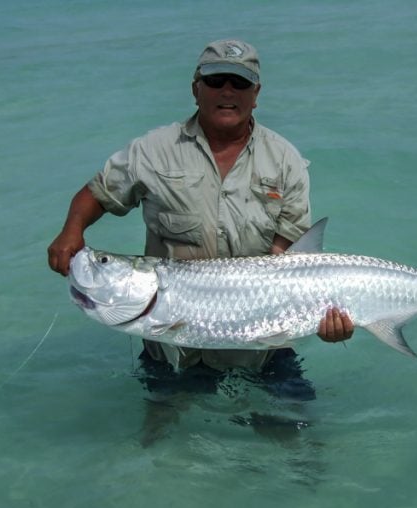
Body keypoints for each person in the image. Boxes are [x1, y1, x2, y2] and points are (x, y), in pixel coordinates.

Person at [48, 39, 353, 376]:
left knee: (288, 427)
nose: (227, 91)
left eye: (239, 83)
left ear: (256, 94)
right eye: (215, 80)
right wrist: (71, 230)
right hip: (170, 347)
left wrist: (314, 319)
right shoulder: (153, 150)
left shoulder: (285, 161)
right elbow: (97, 194)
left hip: (262, 346)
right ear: (196, 89)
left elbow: (287, 263)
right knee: (160, 427)